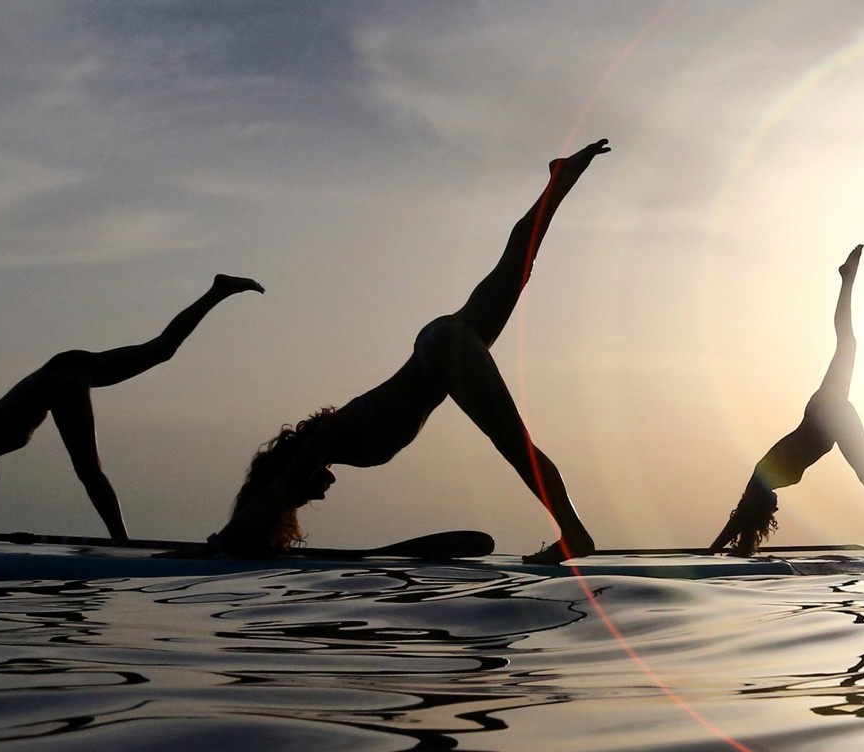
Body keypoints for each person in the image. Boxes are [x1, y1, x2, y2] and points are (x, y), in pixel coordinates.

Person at [214, 140, 611, 565]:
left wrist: (226, 540)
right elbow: (281, 488)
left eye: (302, 496)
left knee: (515, 446)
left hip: (442, 351)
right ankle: (561, 178)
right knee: (517, 266)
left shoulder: (323, 442)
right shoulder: (334, 439)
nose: (318, 495)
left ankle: (575, 536)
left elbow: (279, 488)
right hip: (439, 348)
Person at [0, 274, 265, 542]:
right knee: (162, 350)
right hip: (67, 370)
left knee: (88, 470)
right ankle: (218, 291)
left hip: (62, 378)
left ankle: (121, 543)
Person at [709, 244, 864, 558]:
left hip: (826, 414)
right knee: (849, 344)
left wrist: (710, 553)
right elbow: (740, 520)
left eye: (768, 509)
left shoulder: (763, 478)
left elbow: (735, 523)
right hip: (828, 418)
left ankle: (846, 280)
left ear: (758, 507)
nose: (776, 508)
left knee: (847, 342)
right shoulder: (769, 482)